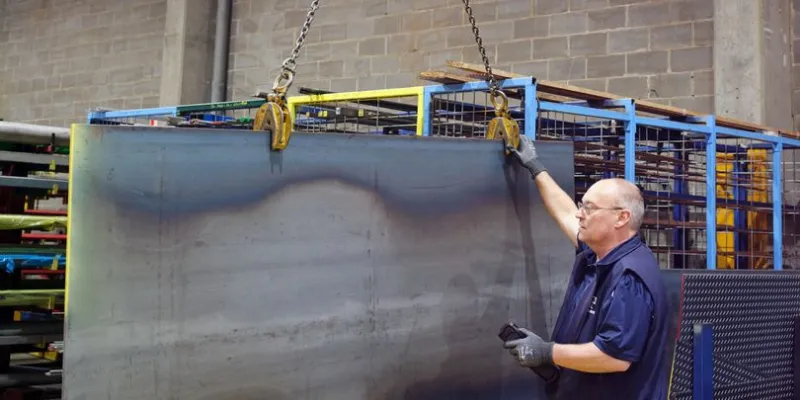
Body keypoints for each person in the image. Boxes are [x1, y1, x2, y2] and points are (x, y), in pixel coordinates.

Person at [502, 136, 670, 400]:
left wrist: (547, 352)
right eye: (582, 206)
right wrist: (536, 167)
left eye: (589, 209)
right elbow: (566, 213)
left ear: (621, 217)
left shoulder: (629, 278)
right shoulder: (598, 255)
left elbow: (614, 356)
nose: (581, 214)